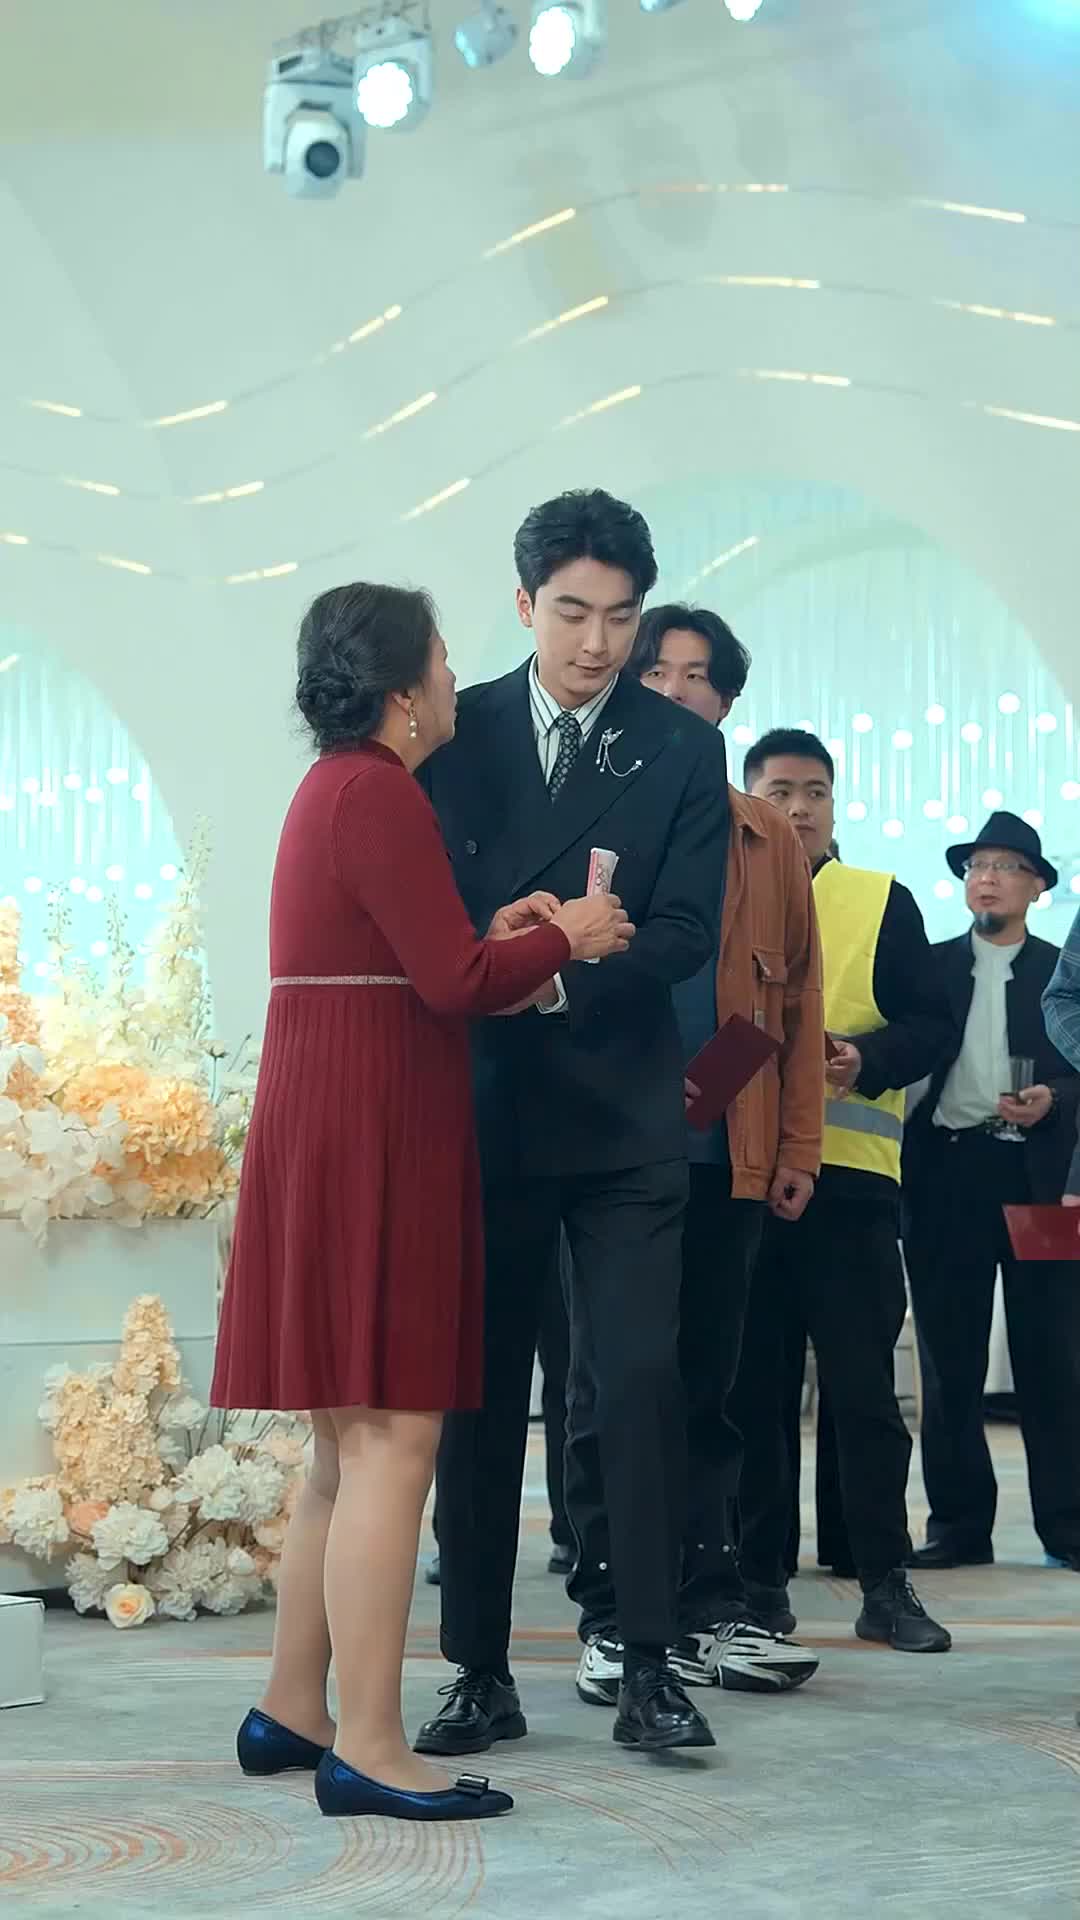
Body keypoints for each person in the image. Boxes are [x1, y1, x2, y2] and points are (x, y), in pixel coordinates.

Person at [211, 581, 631, 1823]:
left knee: (340, 1449)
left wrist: (500, 936)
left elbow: (419, 957)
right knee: (396, 1439)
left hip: (329, 1109)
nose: (456, 680)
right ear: (402, 693)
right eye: (443, 662)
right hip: (374, 1123)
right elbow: (451, 983)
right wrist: (570, 937)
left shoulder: (333, 787)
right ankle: (373, 1745)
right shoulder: (383, 791)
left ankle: (293, 1707)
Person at [415, 490, 730, 1760]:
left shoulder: (680, 746)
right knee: (481, 1394)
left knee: (638, 1381)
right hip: (484, 1111)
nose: (597, 644)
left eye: (620, 617)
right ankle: (477, 1670)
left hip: (625, 1118)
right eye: (571, 613)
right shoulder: (457, 732)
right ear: (523, 602)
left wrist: (548, 975)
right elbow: (429, 918)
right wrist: (516, 948)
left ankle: (649, 1660)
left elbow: (686, 934)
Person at [565, 604, 823, 1706]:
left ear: (726, 701)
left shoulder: (767, 840)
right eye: (656, 672)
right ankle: (610, 1613)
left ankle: (714, 1606)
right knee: (609, 1387)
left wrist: (797, 1140)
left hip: (728, 1150)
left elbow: (791, 1005)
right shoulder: (585, 808)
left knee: (713, 1388)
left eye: (698, 676)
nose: (675, 691)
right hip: (602, 1156)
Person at [732, 729, 953, 1653]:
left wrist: (865, 1058)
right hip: (747, 1185)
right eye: (780, 790)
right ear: (749, 802)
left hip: (853, 1186)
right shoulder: (723, 893)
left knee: (864, 1394)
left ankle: (883, 1579)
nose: (799, 808)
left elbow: (932, 1023)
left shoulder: (878, 898)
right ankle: (756, 1583)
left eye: (815, 792)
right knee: (753, 1394)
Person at [903, 814, 1080, 1571]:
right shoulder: (931, 968)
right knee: (950, 1360)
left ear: (1038, 886)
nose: (987, 878)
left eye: (1006, 866)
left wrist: (1055, 1100)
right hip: (949, 1173)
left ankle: (1067, 1527)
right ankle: (958, 1526)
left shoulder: (1060, 973)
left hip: (1039, 1178)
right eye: (977, 865)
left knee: (1054, 1356)